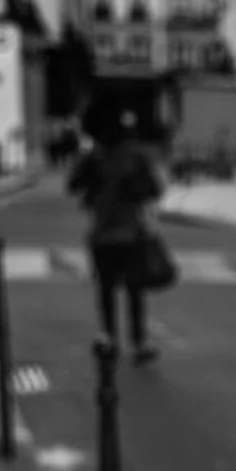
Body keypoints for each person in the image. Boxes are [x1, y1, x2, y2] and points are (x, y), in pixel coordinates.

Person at [67, 105, 165, 365]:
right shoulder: (137, 156)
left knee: (106, 288)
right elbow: (155, 189)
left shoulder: (94, 157)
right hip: (132, 232)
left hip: (102, 233)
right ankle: (139, 342)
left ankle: (109, 337)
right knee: (135, 290)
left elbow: (73, 185)